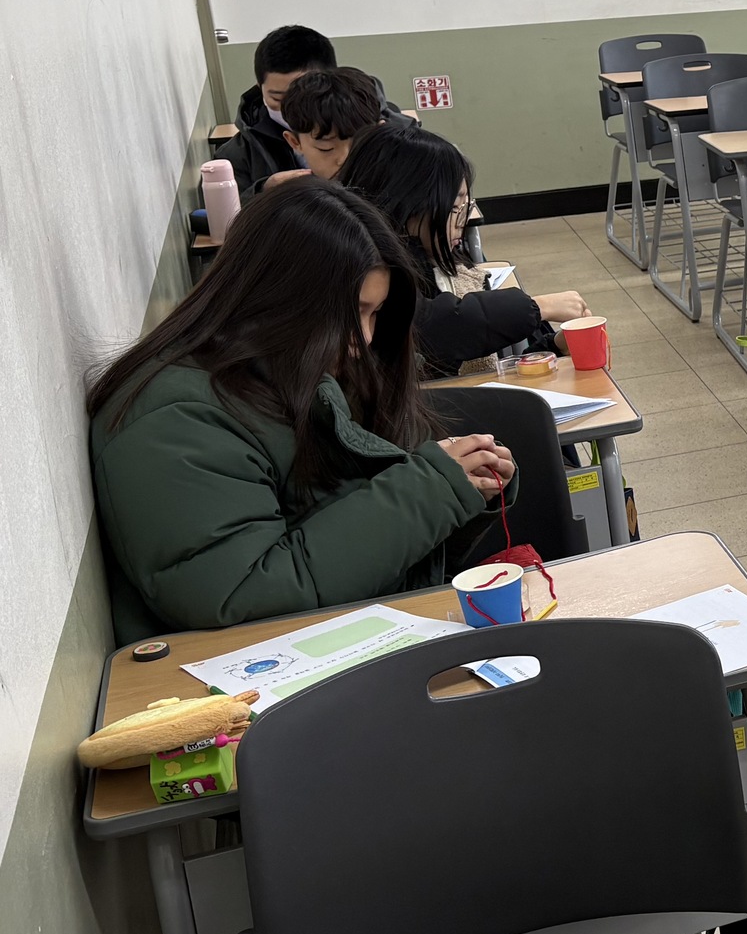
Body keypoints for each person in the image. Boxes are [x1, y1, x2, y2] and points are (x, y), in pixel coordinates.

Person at [88, 177, 516, 643]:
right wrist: (433, 491)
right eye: (351, 312)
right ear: (279, 297)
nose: (363, 339)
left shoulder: (304, 369)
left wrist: (463, 488)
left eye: (374, 314)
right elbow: (239, 597)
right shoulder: (175, 419)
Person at [340, 123, 591, 376]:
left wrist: (555, 345)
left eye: (464, 208)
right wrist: (538, 307)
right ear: (407, 204)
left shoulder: (436, 263)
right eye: (453, 209)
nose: (463, 221)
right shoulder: (375, 269)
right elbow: (433, 328)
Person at [216, 24, 336, 195]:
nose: (291, 109)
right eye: (278, 99)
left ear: (332, 82)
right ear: (260, 88)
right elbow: (228, 209)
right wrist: (264, 191)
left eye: (305, 96)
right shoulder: (236, 156)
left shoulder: (369, 127)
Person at [278, 66, 390, 181]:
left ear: (381, 134)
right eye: (326, 149)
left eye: (361, 146)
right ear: (295, 142)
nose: (345, 160)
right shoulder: (284, 189)